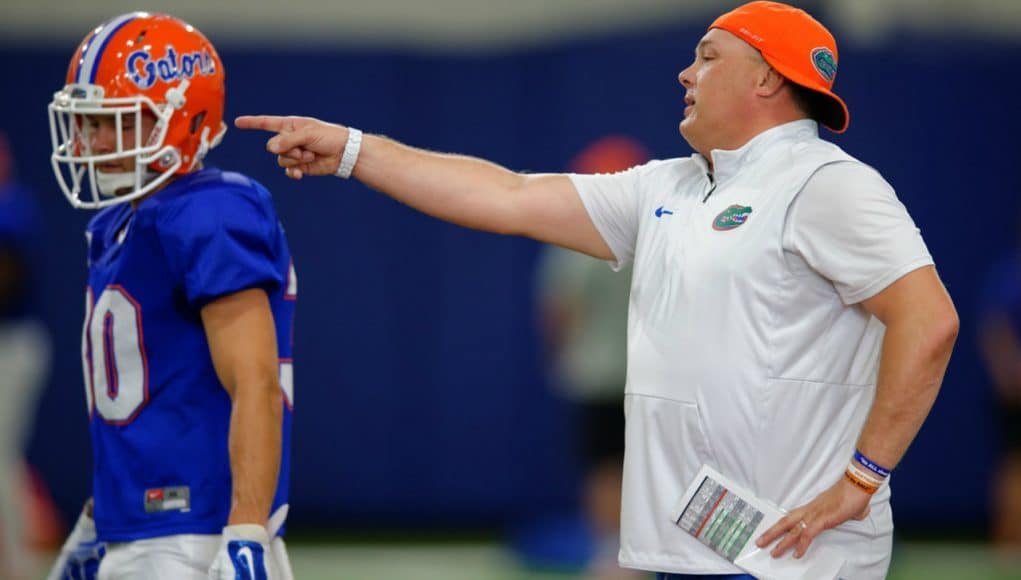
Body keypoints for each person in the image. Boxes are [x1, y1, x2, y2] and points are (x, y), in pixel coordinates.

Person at [237, 1, 958, 578]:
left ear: (766, 78)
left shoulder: (826, 183)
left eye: (707, 56)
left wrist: (861, 480)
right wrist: (356, 151)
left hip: (795, 562)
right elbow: (509, 195)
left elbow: (927, 322)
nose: (685, 73)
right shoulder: (670, 185)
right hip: (700, 545)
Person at [45, 12, 297, 580]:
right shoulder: (118, 225)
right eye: (88, 121)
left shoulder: (209, 211)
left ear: (185, 119)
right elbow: (147, 410)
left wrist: (247, 532)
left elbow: (255, 379)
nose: (95, 140)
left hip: (197, 536)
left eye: (122, 122)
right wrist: (98, 520)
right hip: (137, 534)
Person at [536, 136, 647, 579]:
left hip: (597, 371)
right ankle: (636, 551)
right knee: (646, 461)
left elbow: (559, 306)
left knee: (605, 464)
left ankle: (613, 555)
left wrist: (561, 354)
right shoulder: (659, 232)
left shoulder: (575, 236)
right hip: (648, 371)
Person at [0, 131, 53, 580]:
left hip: (11, 344)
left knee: (1, 456)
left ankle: (17, 562)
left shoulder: (11, 207)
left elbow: (7, 278)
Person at [977, 225, 1021, 555]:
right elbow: (995, 328)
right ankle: (1009, 545)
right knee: (1014, 465)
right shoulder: (1011, 272)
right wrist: (1009, 376)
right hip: (1016, 391)